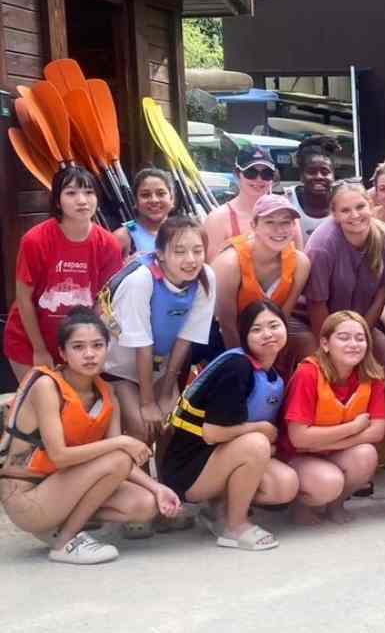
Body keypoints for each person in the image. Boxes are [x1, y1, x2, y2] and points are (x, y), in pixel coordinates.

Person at [0, 308, 181, 565]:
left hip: (62, 489)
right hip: (27, 498)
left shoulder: (107, 393)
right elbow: (60, 456)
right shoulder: (47, 386)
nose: (89, 354)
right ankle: (66, 541)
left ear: (108, 349)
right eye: (78, 347)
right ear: (62, 353)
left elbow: (120, 467)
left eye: (97, 345)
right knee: (117, 455)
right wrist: (121, 442)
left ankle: (62, 524)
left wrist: (157, 487)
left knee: (145, 504)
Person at [161, 300, 300, 551]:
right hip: (188, 470)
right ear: (244, 336)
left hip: (216, 459)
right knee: (257, 443)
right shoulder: (237, 367)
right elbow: (212, 433)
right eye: (256, 329)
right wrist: (261, 430)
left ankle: (218, 510)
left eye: (273, 325)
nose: (267, 334)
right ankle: (235, 527)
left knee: (284, 485)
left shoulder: (272, 374)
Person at [96, 216, 215, 454]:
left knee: (172, 424)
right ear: (160, 254)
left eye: (197, 250)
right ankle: (139, 487)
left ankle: (166, 487)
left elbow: (186, 337)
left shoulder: (205, 277)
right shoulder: (141, 280)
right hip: (118, 367)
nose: (190, 260)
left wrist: (167, 389)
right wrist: (148, 402)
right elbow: (142, 345)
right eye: (179, 251)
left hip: (159, 365)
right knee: (143, 427)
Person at [4, 166, 123, 382]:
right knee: (38, 404)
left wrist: (90, 348)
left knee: (73, 409)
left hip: (79, 345)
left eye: (89, 192)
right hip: (29, 341)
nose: (82, 200)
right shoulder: (35, 240)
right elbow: (23, 299)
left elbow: (102, 303)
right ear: (57, 201)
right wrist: (39, 349)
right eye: (71, 193)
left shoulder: (109, 245)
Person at [279, 311, 385, 524]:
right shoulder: (308, 374)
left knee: (366, 455)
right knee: (329, 482)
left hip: (330, 450)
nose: (353, 344)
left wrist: (324, 442)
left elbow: (377, 431)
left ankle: (336, 504)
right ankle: (301, 503)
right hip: (298, 455)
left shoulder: (372, 376)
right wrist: (353, 427)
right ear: (325, 344)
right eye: (344, 338)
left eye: (360, 338)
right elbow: (299, 438)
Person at [304, 181, 385, 365]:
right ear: (334, 215)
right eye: (345, 210)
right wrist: (331, 350)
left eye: (360, 206)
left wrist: (361, 338)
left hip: (361, 322)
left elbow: (383, 293)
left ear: (371, 205)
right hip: (311, 321)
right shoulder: (322, 246)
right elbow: (316, 304)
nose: (355, 215)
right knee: (320, 365)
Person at [211, 195, 313, 376]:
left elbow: (283, 318)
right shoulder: (229, 263)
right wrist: (245, 369)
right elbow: (226, 324)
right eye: (270, 222)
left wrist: (270, 365)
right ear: (254, 225)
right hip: (225, 337)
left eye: (286, 222)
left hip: (268, 334)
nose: (279, 229)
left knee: (309, 349)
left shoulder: (300, 263)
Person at [204, 146, 302, 261]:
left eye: (266, 173)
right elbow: (213, 270)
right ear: (237, 174)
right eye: (251, 173)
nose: (259, 179)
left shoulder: (287, 212)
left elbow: (298, 258)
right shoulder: (218, 219)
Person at [285, 136, 339, 245]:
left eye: (325, 171)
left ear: (333, 175)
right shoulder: (287, 201)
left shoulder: (343, 201)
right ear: (301, 175)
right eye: (311, 171)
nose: (319, 177)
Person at [113, 168, 175, 257]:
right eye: (145, 195)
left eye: (161, 194)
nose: (154, 200)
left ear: (172, 199)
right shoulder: (123, 236)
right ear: (135, 201)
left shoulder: (183, 233)